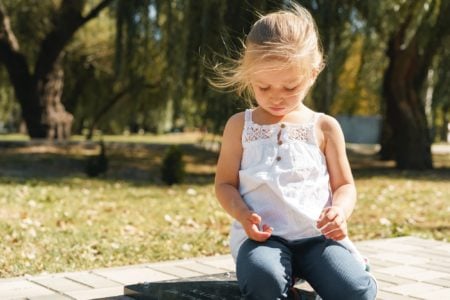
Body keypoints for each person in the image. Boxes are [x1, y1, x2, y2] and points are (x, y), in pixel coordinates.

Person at [212, 3, 377, 300]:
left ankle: (348, 272)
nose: (276, 98)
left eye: (290, 87)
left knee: (355, 292)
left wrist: (340, 211)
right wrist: (243, 213)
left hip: (317, 238)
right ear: (249, 76)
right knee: (263, 282)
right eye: (263, 87)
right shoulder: (240, 126)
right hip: (263, 240)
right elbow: (224, 184)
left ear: (312, 73)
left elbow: (345, 186)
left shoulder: (324, 126)